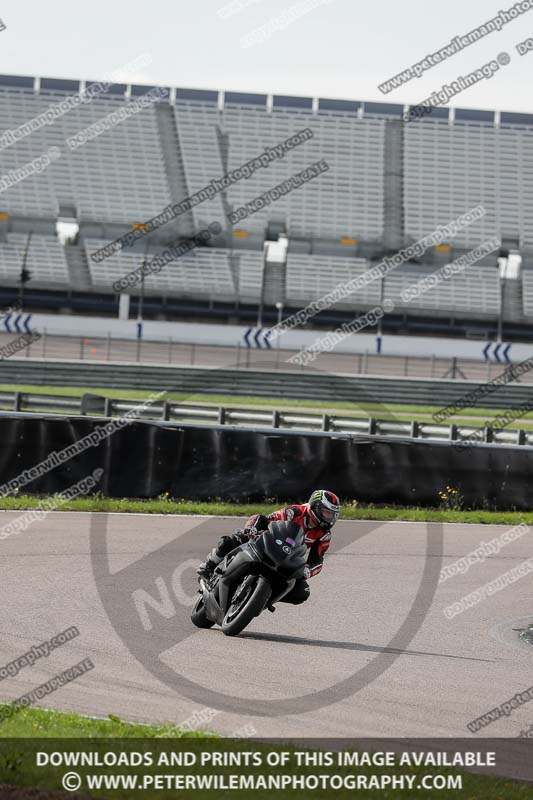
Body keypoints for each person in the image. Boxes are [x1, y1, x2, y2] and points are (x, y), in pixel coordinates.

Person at [197, 489, 341, 605]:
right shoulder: (294, 512)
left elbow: (318, 560)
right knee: (230, 541)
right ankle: (209, 564)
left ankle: (263, 599)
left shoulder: (324, 534)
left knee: (302, 592)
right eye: (326, 513)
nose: (329, 518)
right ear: (315, 507)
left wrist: (308, 571)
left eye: (332, 515)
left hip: (289, 559)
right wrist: (252, 529)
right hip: (269, 544)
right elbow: (266, 519)